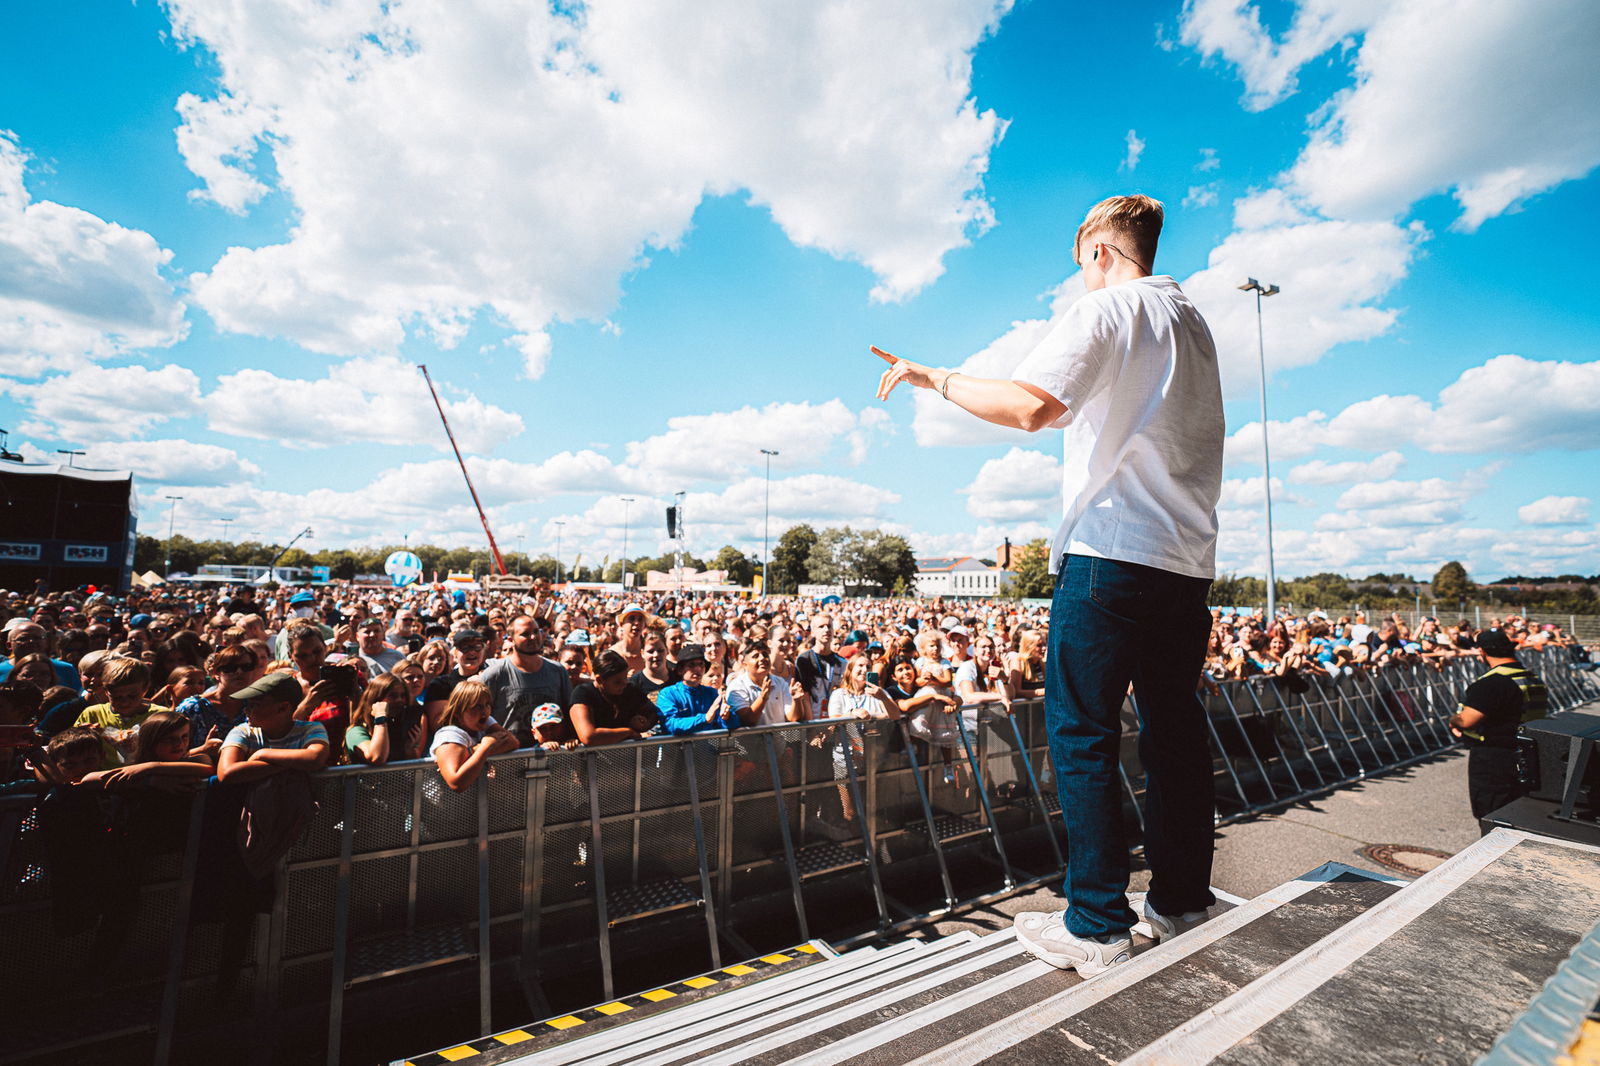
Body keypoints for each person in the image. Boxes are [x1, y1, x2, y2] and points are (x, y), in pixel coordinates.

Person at [874, 194, 1224, 976]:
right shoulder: (1193, 324)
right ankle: (1180, 900)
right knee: (1174, 732)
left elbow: (1032, 406)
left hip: (1110, 554)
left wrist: (937, 377)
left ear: (1098, 251)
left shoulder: (1109, 310)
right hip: (1187, 562)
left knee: (1083, 733)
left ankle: (1097, 923)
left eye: (1078, 265)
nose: (1079, 279)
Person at [1447, 628, 1549, 822]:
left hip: (1494, 761)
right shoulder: (1533, 678)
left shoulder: (1493, 683)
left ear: (1482, 652)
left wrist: (1452, 720)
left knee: (1493, 818)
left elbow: (1466, 720)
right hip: (1529, 755)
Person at [477, 616, 572, 746]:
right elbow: (479, 718)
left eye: (536, 631)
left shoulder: (558, 671)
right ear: (511, 639)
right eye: (525, 634)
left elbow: (569, 712)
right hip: (510, 758)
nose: (533, 637)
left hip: (552, 755)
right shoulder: (494, 675)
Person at [430, 680, 518, 791]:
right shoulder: (449, 736)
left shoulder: (483, 720)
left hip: (472, 802)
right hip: (444, 805)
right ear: (458, 711)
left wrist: (473, 751)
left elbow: (512, 742)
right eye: (477, 706)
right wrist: (485, 747)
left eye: (487, 705)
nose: (485, 711)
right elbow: (456, 784)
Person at [570, 651, 660, 746]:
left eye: (626, 677)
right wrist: (628, 732)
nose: (624, 683)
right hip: (591, 758)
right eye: (617, 682)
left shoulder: (630, 689)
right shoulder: (583, 693)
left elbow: (654, 714)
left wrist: (644, 724)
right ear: (599, 680)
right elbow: (589, 737)